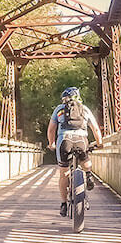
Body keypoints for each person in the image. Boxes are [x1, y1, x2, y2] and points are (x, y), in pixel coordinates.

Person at [47, 86, 104, 216]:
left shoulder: (59, 109)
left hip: (64, 141)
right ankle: (88, 175)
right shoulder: (85, 109)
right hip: (81, 140)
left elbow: (51, 130)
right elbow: (95, 129)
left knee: (64, 174)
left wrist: (51, 144)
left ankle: (63, 204)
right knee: (85, 159)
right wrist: (99, 143)